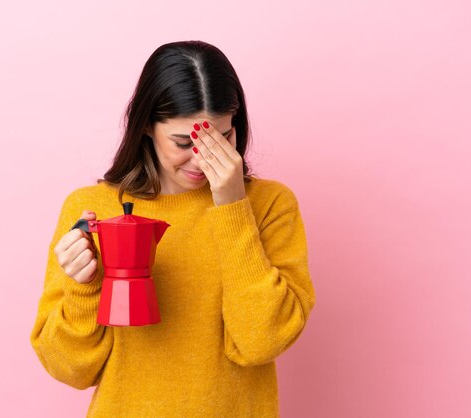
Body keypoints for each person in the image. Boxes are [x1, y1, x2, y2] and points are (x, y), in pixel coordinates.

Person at [30, 40, 316, 417]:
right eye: (184, 141)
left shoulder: (270, 206)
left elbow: (261, 341)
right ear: (147, 125)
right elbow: (71, 369)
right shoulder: (92, 210)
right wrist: (83, 288)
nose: (203, 158)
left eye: (221, 139)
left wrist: (231, 206)